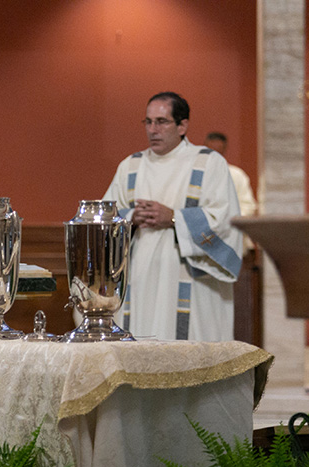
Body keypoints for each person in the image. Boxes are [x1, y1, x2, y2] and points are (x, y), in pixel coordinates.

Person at [103, 92, 242, 341]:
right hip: (140, 278)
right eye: (148, 122)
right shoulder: (131, 166)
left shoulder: (209, 163)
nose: (153, 130)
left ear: (182, 125)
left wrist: (175, 218)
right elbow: (105, 218)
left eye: (161, 121)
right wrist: (131, 217)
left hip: (191, 281)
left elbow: (225, 218)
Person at [203, 132, 257, 217]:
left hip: (229, 225)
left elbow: (247, 206)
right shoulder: (193, 174)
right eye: (210, 151)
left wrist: (231, 220)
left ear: (224, 150)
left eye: (218, 152)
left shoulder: (237, 175)